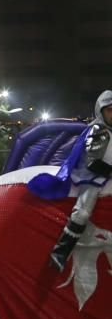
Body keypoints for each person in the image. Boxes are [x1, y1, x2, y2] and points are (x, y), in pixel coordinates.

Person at [49, 90, 112, 271]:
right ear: (101, 111)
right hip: (94, 175)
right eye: (109, 110)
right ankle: (60, 253)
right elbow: (93, 163)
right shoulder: (98, 130)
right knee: (83, 212)